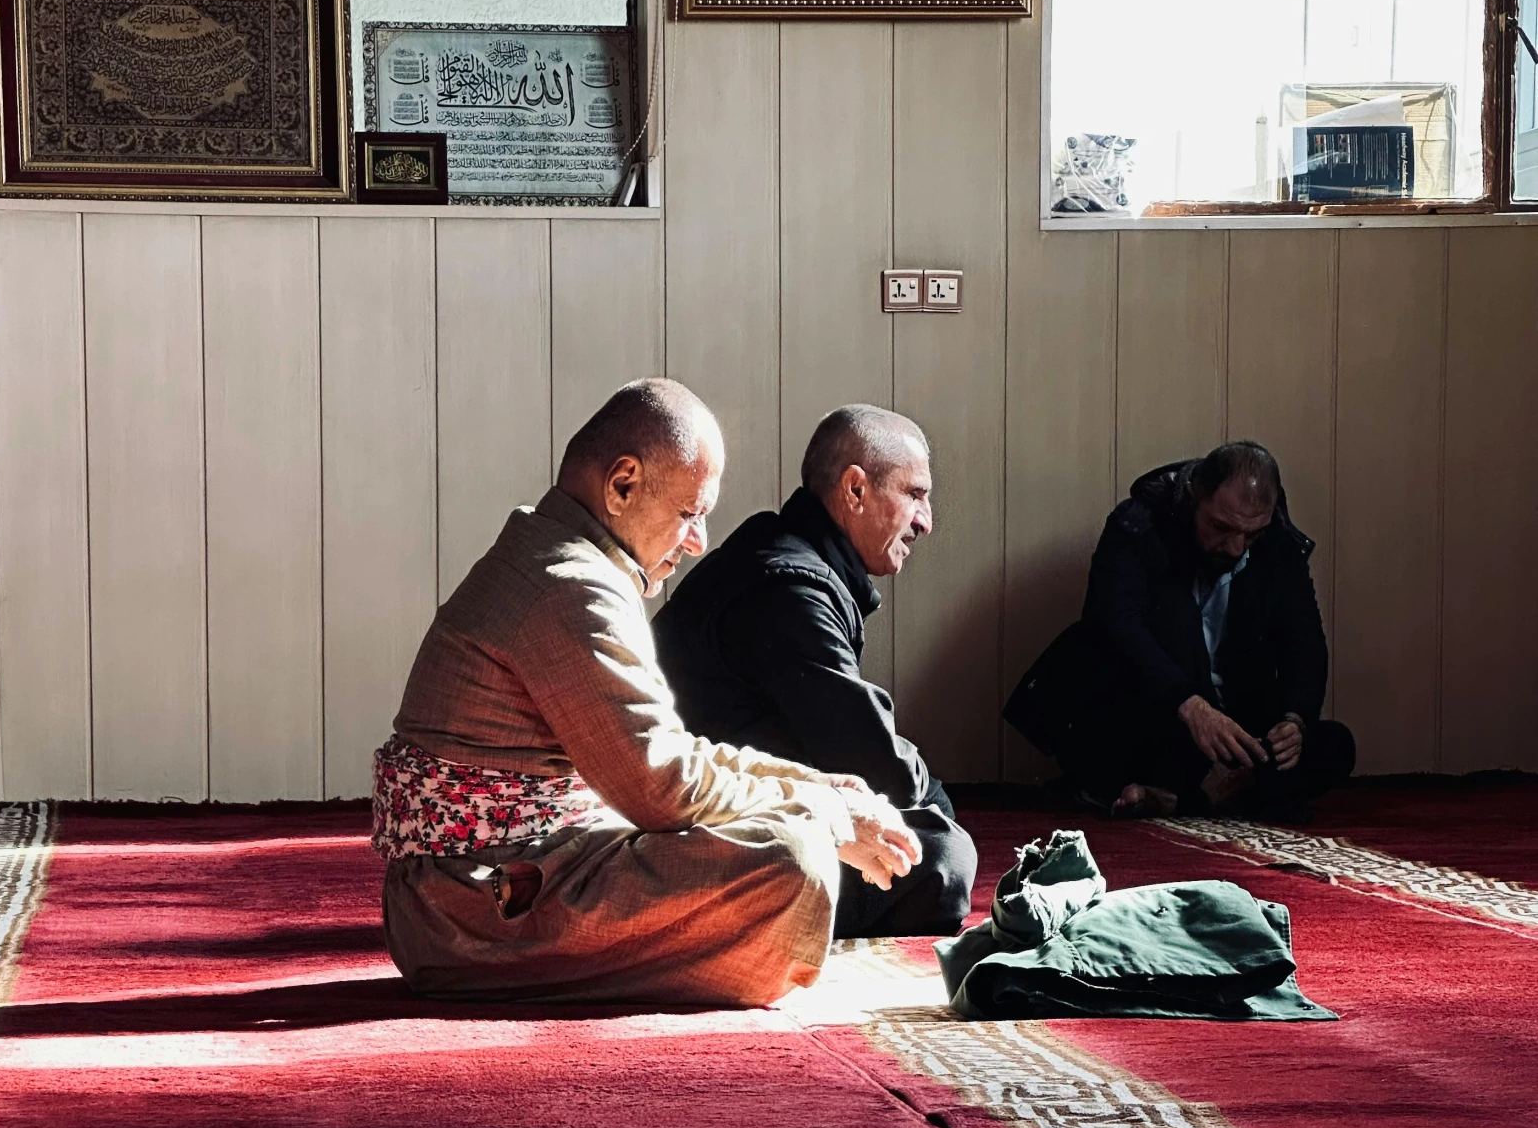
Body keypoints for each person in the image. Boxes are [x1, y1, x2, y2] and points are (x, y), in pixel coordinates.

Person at [373, 378, 921, 1008]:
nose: (698, 542)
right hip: (471, 914)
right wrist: (826, 815)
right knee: (794, 861)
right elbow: (663, 789)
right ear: (623, 483)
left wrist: (818, 787)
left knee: (799, 838)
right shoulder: (569, 585)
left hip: (466, 897)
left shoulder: (559, 558)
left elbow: (668, 752)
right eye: (690, 513)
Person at [653, 405, 978, 937]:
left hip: (716, 809)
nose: (926, 520)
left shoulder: (783, 557)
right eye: (915, 495)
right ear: (855, 491)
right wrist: (934, 803)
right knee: (938, 858)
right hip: (696, 832)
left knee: (924, 840)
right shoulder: (789, 587)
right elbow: (875, 762)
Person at [1004, 441, 1356, 817]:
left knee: (1336, 745)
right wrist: (1192, 709)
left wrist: (1295, 720)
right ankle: (1217, 793)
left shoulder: (1277, 543)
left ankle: (1186, 798)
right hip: (1154, 712)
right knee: (1166, 623)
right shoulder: (1136, 526)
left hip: (1233, 728)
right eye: (1222, 527)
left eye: (1251, 535)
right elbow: (1115, 627)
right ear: (1193, 498)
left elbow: (1305, 640)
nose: (1236, 547)